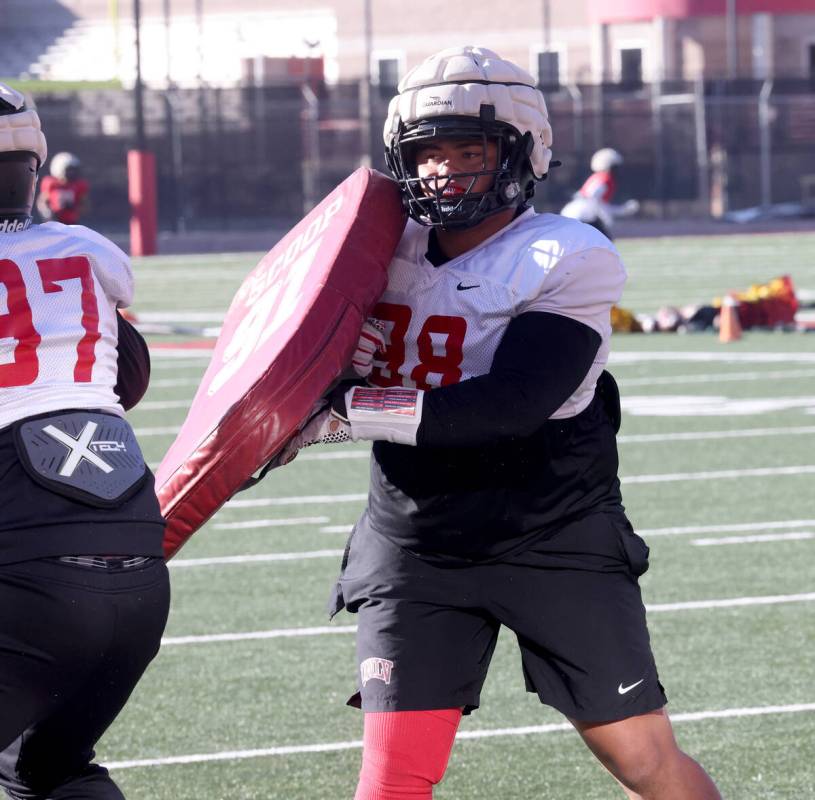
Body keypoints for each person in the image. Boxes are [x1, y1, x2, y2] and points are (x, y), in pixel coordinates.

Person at [282, 46, 724, 799]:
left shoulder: (565, 254)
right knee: (391, 781)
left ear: (523, 151)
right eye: (426, 154)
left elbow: (509, 406)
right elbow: (291, 351)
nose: (444, 171)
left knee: (643, 761)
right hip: (415, 540)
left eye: (468, 149)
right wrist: (332, 371)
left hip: (550, 529)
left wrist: (348, 410)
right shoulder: (374, 247)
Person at [0, 83, 169, 799]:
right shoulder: (88, 252)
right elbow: (125, 372)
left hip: (26, 559)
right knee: (46, 771)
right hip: (136, 565)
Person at [560, 147, 639, 239]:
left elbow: (599, 204)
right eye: (615, 167)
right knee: (605, 242)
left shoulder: (599, 177)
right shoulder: (605, 179)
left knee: (604, 242)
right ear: (610, 166)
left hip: (580, 217)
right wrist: (622, 211)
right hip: (580, 218)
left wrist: (623, 210)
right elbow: (593, 199)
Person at [36, 150, 90, 225]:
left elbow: (85, 206)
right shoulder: (51, 183)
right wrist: (48, 213)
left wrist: (75, 208)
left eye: (73, 171)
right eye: (69, 171)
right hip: (54, 221)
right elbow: (42, 202)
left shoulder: (79, 185)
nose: (72, 174)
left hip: (72, 223)